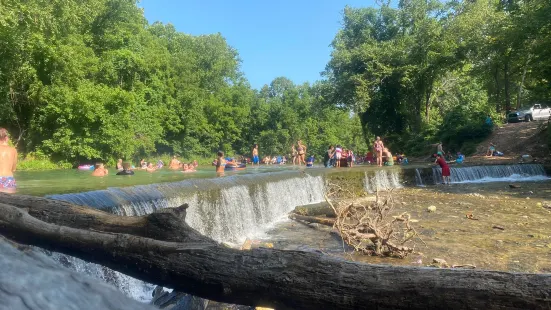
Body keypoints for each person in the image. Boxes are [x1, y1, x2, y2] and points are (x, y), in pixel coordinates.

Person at [0, 128, 17, 193]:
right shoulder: (13, 150)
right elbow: (14, 169)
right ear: (7, 137)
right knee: (10, 200)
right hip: (9, 179)